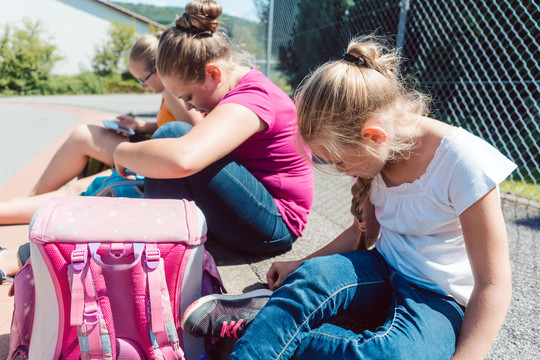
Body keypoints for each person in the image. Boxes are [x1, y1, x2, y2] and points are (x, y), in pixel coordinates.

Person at [179, 36, 516, 359]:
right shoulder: (377, 152)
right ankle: (270, 328)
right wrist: (300, 265)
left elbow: (492, 284)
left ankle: (267, 327)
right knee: (311, 280)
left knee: (392, 354)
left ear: (373, 135)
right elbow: (364, 234)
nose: (339, 170)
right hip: (380, 267)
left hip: (438, 297)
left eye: (339, 160)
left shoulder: (463, 162)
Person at [113, 0, 314, 255]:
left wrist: (121, 152)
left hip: (276, 222)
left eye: (187, 97)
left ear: (214, 74)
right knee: (171, 142)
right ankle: (162, 241)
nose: (190, 106)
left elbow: (184, 160)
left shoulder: (252, 98)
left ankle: (160, 246)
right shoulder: (235, 88)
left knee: (174, 136)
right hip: (254, 207)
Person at [0, 33, 202, 225]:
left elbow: (193, 133)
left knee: (82, 179)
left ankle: (23, 203)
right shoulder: (171, 91)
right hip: (157, 155)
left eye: (143, 79)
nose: (141, 86)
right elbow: (173, 127)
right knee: (82, 144)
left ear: (159, 68)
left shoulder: (173, 92)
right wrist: (141, 125)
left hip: (162, 160)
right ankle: (25, 201)